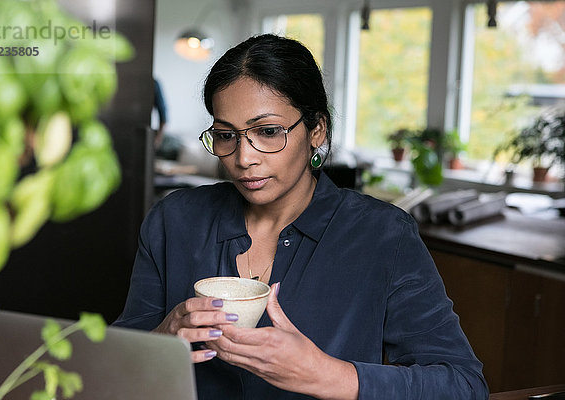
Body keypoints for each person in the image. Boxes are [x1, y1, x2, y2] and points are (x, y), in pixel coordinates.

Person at [113, 34, 488, 399]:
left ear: (316, 130)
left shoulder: (383, 235)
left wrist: (328, 375)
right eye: (227, 136)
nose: (244, 159)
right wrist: (164, 337)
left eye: (268, 131)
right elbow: (112, 368)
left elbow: (463, 385)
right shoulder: (174, 220)